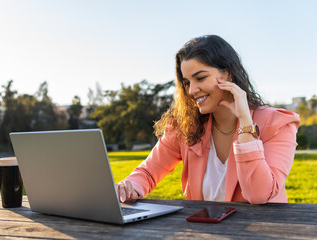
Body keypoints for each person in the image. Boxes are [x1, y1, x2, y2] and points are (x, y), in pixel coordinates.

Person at [117, 35, 300, 204]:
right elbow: (149, 172)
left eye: (201, 78)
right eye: (187, 82)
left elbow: (258, 194)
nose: (191, 90)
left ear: (227, 73)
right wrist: (131, 186)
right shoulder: (185, 125)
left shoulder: (276, 123)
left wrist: (245, 121)